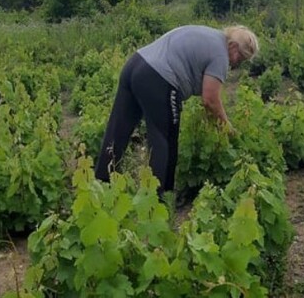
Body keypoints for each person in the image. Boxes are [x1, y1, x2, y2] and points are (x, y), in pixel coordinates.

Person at [93, 24, 259, 196]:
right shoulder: (221, 54)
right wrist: (227, 129)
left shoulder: (210, 35)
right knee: (164, 139)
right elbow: (210, 100)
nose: (236, 63)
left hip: (135, 64)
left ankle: (102, 186)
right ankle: (160, 198)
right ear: (233, 46)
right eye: (240, 58)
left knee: (118, 129)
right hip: (158, 77)